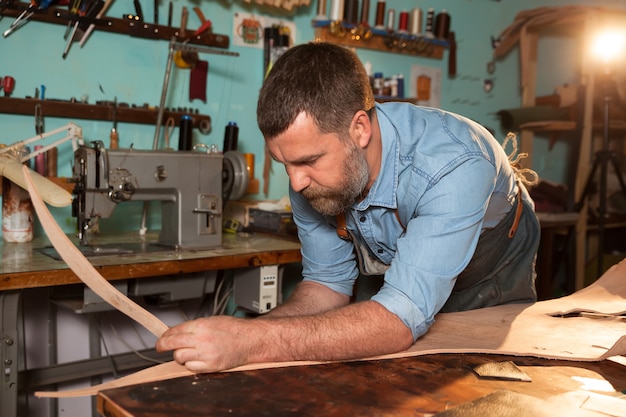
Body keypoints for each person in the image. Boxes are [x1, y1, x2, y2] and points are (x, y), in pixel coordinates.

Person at [156, 42, 540, 373]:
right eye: (283, 164)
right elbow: (326, 287)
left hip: (488, 268)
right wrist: (234, 336)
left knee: (477, 380)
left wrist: (252, 342)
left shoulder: (452, 166)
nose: (295, 182)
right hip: (397, 271)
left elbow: (397, 321)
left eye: (307, 161)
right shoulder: (308, 171)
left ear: (360, 129)